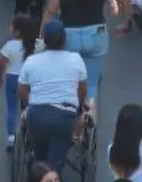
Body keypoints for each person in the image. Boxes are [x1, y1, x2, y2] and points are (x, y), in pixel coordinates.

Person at [18, 19, 90, 171]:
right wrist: (79, 108)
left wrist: (29, 103)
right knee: (54, 164)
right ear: (64, 39)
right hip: (64, 116)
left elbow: (22, 91)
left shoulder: (31, 61)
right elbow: (82, 90)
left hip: (37, 115)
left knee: (41, 159)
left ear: (44, 40)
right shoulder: (76, 60)